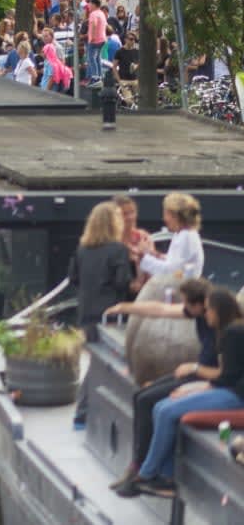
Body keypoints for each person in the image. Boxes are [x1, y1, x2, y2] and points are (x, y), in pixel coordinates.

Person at [121, 287, 244, 499]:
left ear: (218, 311)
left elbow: (227, 378)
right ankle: (165, 478)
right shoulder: (230, 331)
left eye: (208, 310)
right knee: (161, 406)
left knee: (167, 411)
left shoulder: (233, 333)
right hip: (227, 389)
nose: (206, 315)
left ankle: (146, 474)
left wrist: (193, 388)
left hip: (234, 396)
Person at [70, 202, 137, 428]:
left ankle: (87, 412)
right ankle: (83, 411)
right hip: (110, 315)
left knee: (95, 361)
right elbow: (122, 282)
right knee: (104, 363)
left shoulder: (82, 249)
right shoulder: (118, 250)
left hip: (86, 313)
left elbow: (73, 279)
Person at [138, 193, 206, 282]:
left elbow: (171, 272)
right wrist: (155, 254)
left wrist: (143, 257)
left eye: (166, 214)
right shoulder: (182, 235)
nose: (164, 218)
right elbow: (177, 264)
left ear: (176, 216)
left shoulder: (186, 237)